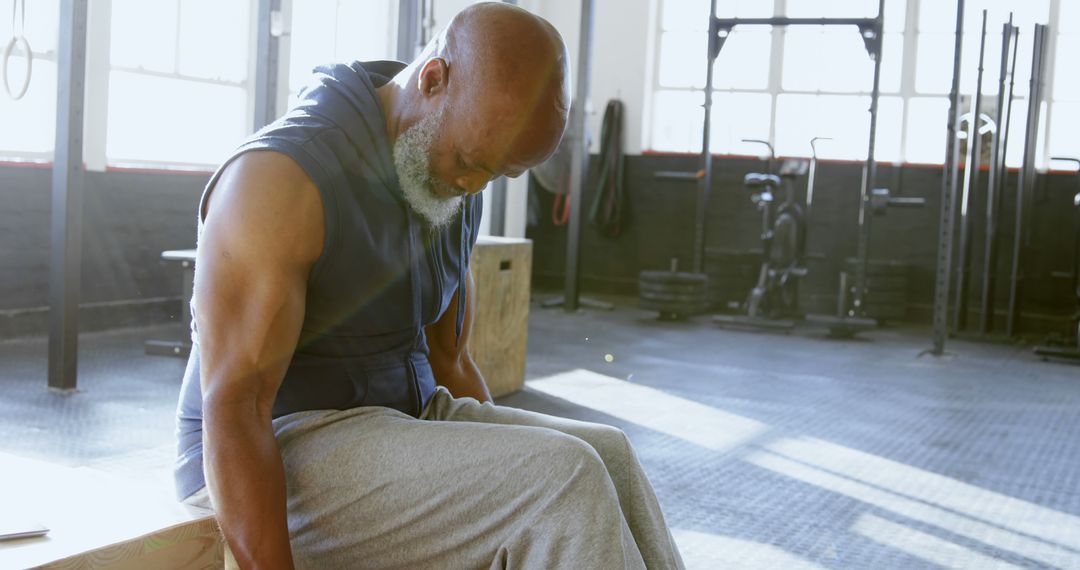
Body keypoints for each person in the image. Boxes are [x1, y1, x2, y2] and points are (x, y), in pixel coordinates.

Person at [174, 3, 684, 568]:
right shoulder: (280, 180)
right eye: (469, 162)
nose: (473, 184)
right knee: (564, 478)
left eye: (496, 173)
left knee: (606, 453)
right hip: (280, 448)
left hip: (404, 421)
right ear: (434, 79)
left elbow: (451, 360)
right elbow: (236, 409)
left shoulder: (454, 183)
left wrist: (507, 474)